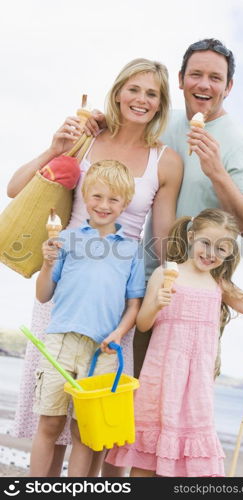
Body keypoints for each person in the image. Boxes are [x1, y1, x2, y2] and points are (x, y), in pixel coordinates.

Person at [8, 58, 183, 476]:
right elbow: (17, 189)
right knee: (49, 415)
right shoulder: (86, 136)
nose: (141, 100)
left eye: (152, 94)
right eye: (134, 89)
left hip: (114, 297)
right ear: (118, 90)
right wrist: (55, 147)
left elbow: (161, 240)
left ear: (161, 105)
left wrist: (175, 284)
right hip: (65, 279)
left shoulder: (167, 160)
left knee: (92, 423)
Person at [84, 39, 243, 379]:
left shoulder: (241, 143)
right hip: (144, 281)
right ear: (181, 79)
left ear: (228, 87)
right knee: (128, 387)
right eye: (195, 74)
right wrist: (99, 121)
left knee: (180, 394)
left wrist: (217, 173)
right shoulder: (163, 123)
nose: (204, 84)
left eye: (215, 77)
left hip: (199, 291)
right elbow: (124, 129)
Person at [105, 208, 243, 477]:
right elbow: (143, 324)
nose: (211, 253)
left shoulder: (220, 284)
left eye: (222, 248)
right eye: (205, 243)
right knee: (145, 463)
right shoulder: (166, 273)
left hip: (196, 388)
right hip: (162, 379)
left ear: (230, 253)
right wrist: (157, 304)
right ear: (191, 236)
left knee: (184, 466)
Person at [31, 160, 145, 477]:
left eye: (113, 199)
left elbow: (133, 305)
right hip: (61, 342)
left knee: (87, 432)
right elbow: (43, 294)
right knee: (50, 422)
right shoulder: (66, 240)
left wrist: (118, 334)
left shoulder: (132, 252)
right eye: (97, 196)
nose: (103, 205)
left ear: (125, 204)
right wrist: (45, 263)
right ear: (84, 195)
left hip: (103, 350)